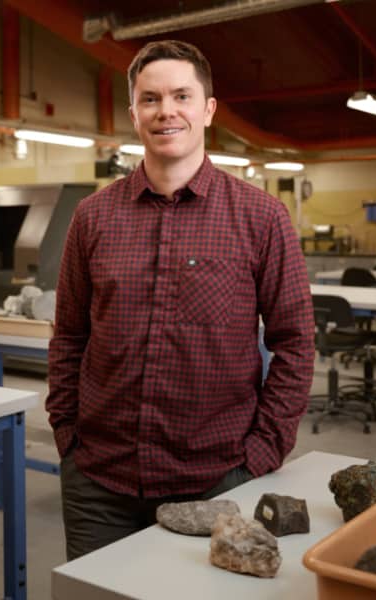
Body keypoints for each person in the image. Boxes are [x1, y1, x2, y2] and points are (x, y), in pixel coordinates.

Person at [47, 39, 315, 561]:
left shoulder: (261, 218)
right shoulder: (93, 218)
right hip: (99, 480)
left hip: (215, 480)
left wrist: (263, 450)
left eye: (181, 96)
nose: (166, 110)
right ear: (134, 114)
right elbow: (71, 336)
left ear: (208, 109)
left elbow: (296, 343)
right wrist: (67, 434)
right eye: (150, 99)